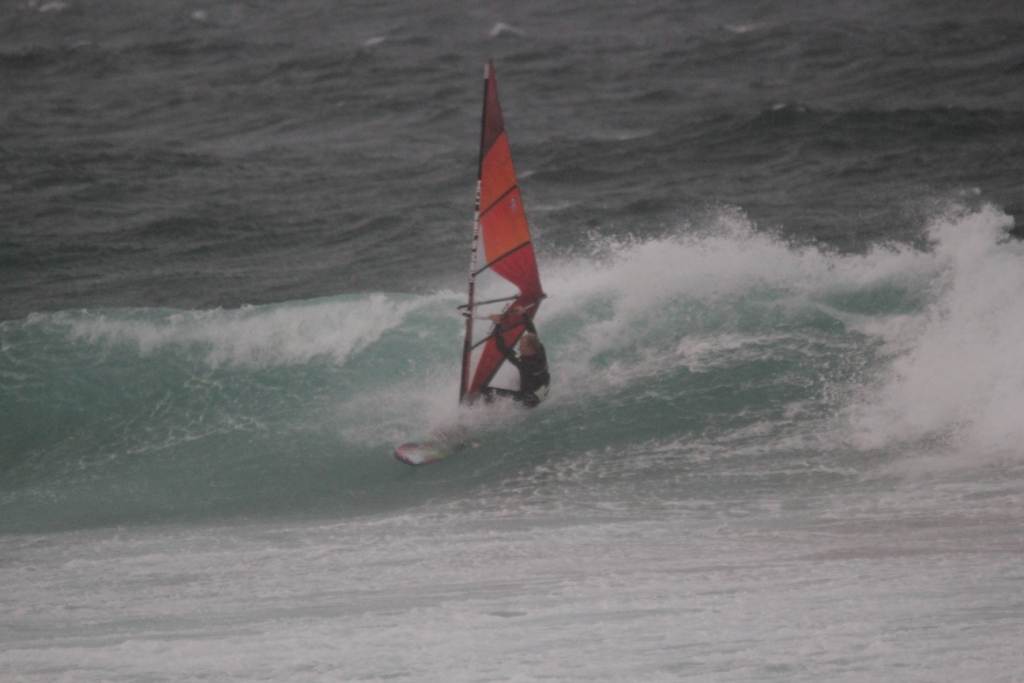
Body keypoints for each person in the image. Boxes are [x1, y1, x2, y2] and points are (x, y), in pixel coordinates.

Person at [482, 311, 550, 408]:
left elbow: (502, 347)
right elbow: (532, 332)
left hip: (530, 400)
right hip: (544, 387)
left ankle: (488, 409)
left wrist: (498, 325)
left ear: (529, 349)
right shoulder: (539, 348)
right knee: (530, 380)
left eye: (521, 346)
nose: (519, 348)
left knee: (485, 391)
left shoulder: (525, 364)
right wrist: (524, 314)